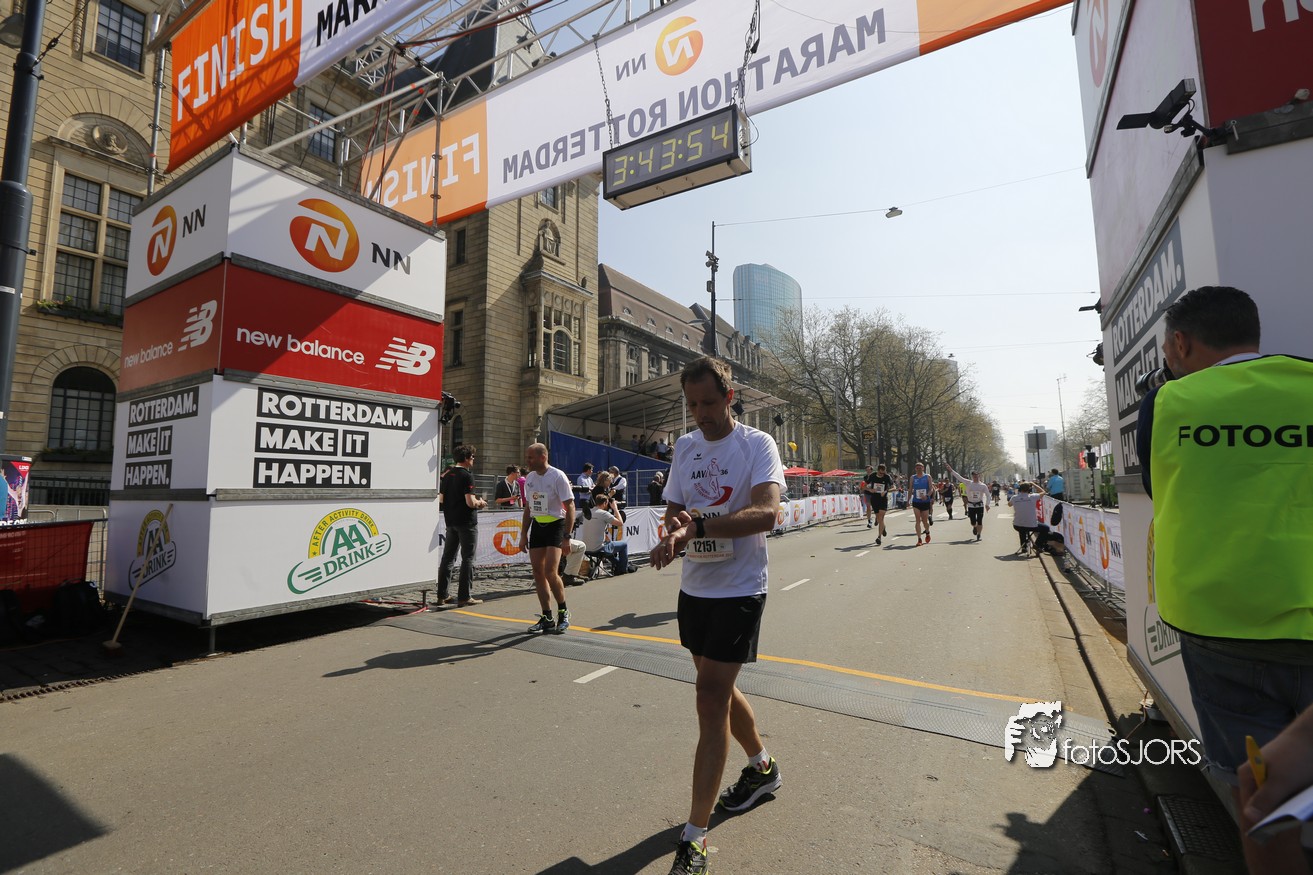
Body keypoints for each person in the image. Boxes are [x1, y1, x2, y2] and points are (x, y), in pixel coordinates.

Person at [1136, 285, 1313, 874]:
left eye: (1166, 350)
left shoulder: (1167, 403)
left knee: (1259, 794)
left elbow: (1160, 487)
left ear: (1181, 344)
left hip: (1221, 627)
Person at [650, 357, 785, 875]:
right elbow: (674, 509)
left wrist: (697, 528)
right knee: (719, 690)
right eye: (692, 405)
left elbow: (768, 512)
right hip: (695, 589)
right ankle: (762, 768)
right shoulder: (685, 447)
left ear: (729, 398)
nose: (701, 413)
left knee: (709, 698)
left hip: (740, 588)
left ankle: (694, 837)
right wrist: (672, 532)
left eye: (708, 402)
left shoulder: (756, 445)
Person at [519, 443, 576, 634]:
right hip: (538, 525)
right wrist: (523, 534)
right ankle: (547, 617)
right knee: (538, 572)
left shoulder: (557, 476)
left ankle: (563, 612)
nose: (527, 461)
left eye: (530, 457)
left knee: (550, 571)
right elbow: (528, 508)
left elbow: (570, 506)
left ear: (542, 457)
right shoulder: (530, 478)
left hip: (556, 525)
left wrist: (567, 536)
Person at [437, 444, 487, 607]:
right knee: (468, 558)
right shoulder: (467, 476)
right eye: (472, 456)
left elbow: (441, 499)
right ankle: (465, 596)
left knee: (447, 558)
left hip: (451, 521)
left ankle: (442, 595)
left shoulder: (448, 475)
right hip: (466, 522)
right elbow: (470, 502)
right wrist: (480, 503)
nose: (473, 459)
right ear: (466, 458)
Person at [579, 491, 636, 574]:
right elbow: (620, 523)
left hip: (586, 548)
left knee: (608, 545)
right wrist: (615, 508)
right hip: (599, 549)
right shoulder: (604, 514)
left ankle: (619, 565)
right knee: (624, 544)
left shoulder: (588, 512)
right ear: (605, 503)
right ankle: (622, 569)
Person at [947, 465, 991, 542]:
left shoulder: (983, 486)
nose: (975, 478)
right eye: (974, 477)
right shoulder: (968, 483)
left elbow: (988, 495)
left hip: (979, 505)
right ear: (972, 477)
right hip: (971, 505)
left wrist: (987, 504)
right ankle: (975, 526)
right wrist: (951, 470)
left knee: (980, 520)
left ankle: (979, 534)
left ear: (979, 476)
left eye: (976, 476)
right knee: (973, 522)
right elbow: (959, 477)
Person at [1008, 481, 1045, 555]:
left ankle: (1024, 547)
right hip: (1032, 525)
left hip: (1017, 525)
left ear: (1020, 489)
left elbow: (1009, 504)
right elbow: (1043, 492)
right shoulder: (1033, 496)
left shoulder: (1014, 497)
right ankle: (1037, 545)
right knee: (1046, 529)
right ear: (1029, 489)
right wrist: (1034, 484)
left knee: (1022, 529)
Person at [864, 464, 894, 545]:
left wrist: (886, 491)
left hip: (883, 499)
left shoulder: (887, 477)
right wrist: (870, 490)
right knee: (879, 518)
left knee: (881, 517)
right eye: (880, 473)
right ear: (878, 471)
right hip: (874, 499)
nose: (882, 475)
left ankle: (879, 537)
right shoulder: (872, 476)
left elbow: (894, 487)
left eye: (883, 473)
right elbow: (864, 486)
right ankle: (883, 527)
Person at [910, 461, 934, 545]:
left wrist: (927, 496)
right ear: (915, 469)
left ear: (923, 468)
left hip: (925, 501)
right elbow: (910, 489)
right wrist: (908, 500)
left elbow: (931, 489)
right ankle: (919, 539)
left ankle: (927, 532)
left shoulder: (927, 477)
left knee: (924, 521)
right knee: (917, 520)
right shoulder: (913, 477)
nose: (919, 469)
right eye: (917, 468)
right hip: (916, 501)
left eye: (920, 468)